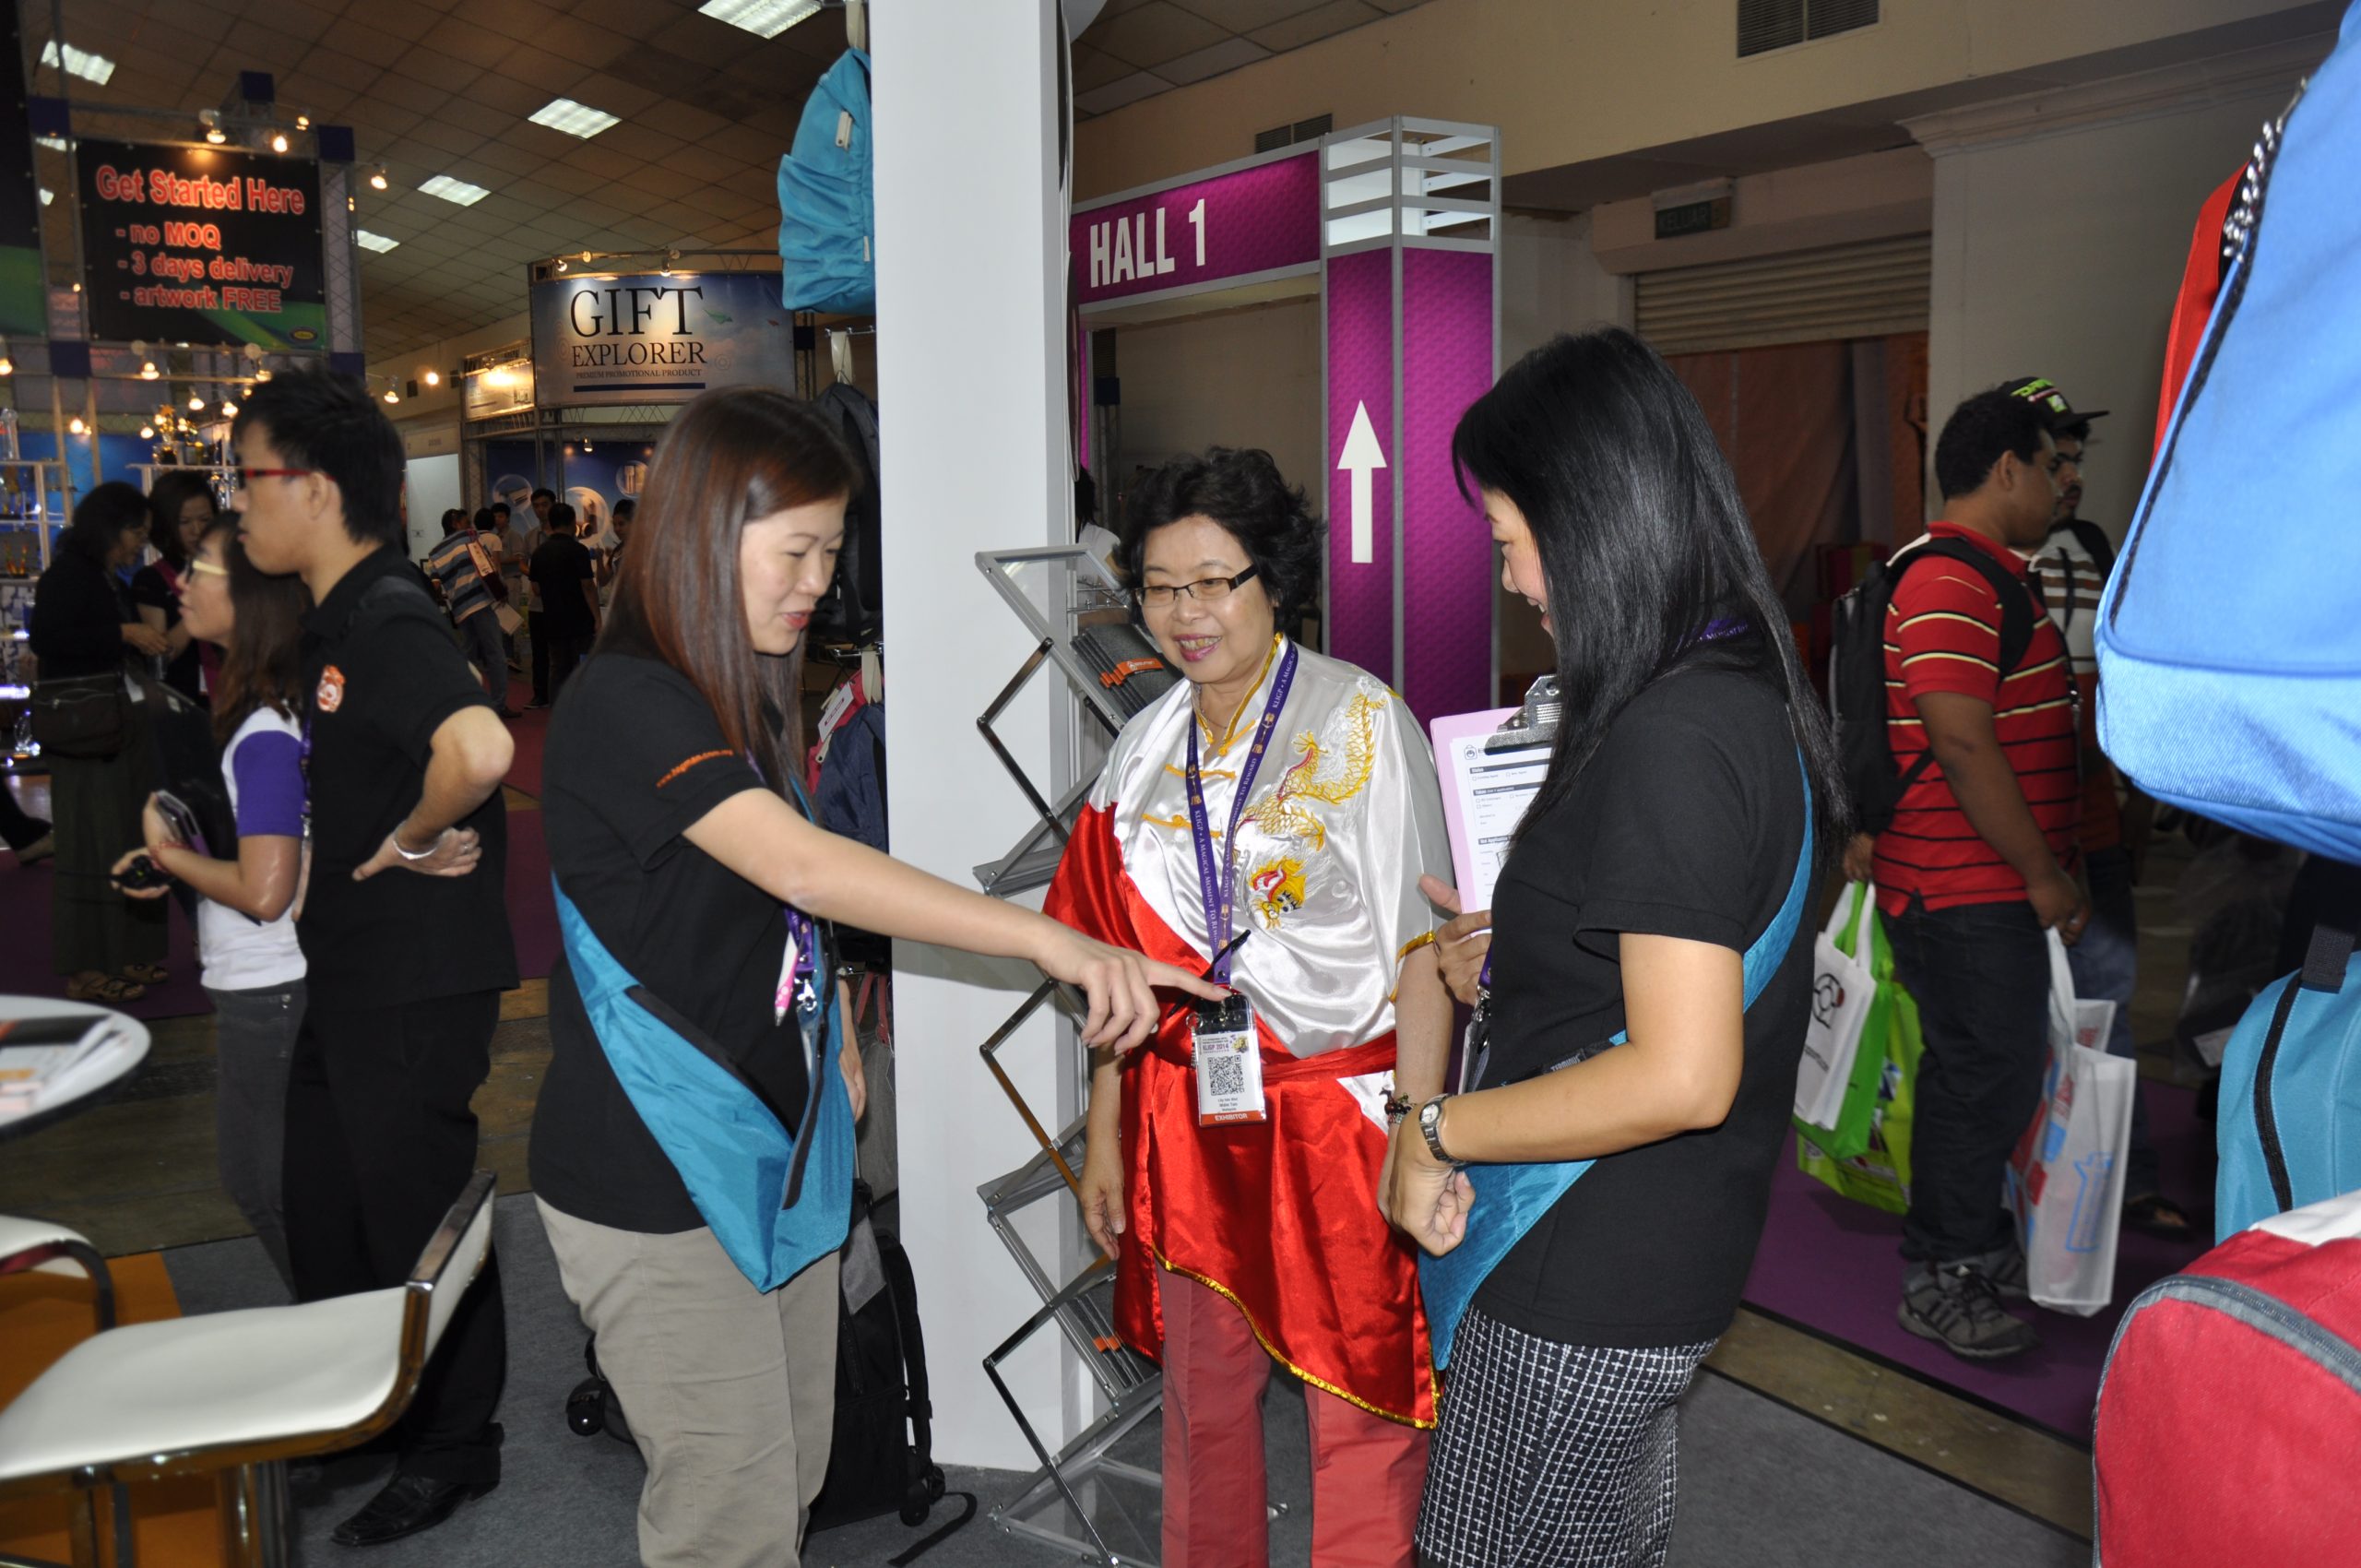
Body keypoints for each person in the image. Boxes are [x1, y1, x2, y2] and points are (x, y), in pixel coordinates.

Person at [530, 386, 1216, 1568]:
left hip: (772, 1146)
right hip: (658, 1172)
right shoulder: (631, 698)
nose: (819, 582)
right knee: (728, 1517)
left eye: (831, 551)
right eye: (795, 550)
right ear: (704, 533)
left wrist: (835, 1028)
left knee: (790, 1471)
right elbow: (801, 860)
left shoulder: (736, 684)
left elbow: (778, 895)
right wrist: (1050, 940)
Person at [1384, 329, 1845, 1568]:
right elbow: (1676, 962)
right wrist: (1522, 955)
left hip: (1582, 1264)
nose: (1513, 581)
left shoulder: (1670, 734)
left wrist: (1431, 1129)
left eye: (1509, 540)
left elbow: (1680, 1075)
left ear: (1587, 517)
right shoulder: (1740, 689)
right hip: (1652, 1253)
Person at [1048, 446, 1453, 1568]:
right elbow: (1110, 959)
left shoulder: (1363, 722)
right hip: (1189, 1115)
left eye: (1213, 581)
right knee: (1201, 1396)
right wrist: (1104, 1126)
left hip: (1336, 1119)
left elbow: (1422, 952)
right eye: (1160, 587)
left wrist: (1419, 1132)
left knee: (1361, 1402)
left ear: (1273, 577)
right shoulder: (1144, 747)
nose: (1186, 613)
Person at [231, 368, 519, 1547]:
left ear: (313, 487)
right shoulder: (337, 619)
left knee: (415, 1211)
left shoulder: (388, 614)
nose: (237, 502)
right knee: (326, 1199)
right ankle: (372, 1407)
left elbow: (480, 747)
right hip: (354, 970)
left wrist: (407, 837)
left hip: (413, 976)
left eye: (248, 477)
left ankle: (456, 1442)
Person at [1859, 386, 2086, 1360]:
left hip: (1968, 881)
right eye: (2052, 464)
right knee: (1978, 1076)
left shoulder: (1980, 573)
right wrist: (2041, 872)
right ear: (2006, 469)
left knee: (1982, 1069)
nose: (2065, 482)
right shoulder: (1951, 578)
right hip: (1962, 886)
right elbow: (1959, 741)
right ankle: (1942, 1269)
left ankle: (1972, 1241)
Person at [2005, 375, 2190, 1241]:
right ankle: (2018, 1194)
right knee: (2013, 1023)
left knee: (2106, 1008)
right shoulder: (1970, 567)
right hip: (2016, 844)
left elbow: (2121, 688)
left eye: (2076, 459)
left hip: (2093, 829)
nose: (2072, 475)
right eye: (2057, 460)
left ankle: (2116, 1183)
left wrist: (2137, 799)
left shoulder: (2091, 547)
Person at [110, 514, 310, 1288]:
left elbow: (265, 891)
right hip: (271, 983)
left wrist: (169, 854)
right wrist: (184, 860)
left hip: (272, 986)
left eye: (201, 569)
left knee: (269, 1186)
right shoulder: (268, 710)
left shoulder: (263, 728)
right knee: (267, 1182)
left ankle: (349, 1331)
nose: (182, 585)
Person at [29, 482, 172, 1003]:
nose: (141, 543)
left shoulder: (106, 576)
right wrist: (123, 634)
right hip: (84, 734)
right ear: (111, 529)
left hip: (118, 725)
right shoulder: (69, 575)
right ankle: (86, 967)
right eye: (137, 532)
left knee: (127, 840)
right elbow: (48, 639)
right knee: (90, 846)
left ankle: (126, 950)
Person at [133, 471, 217, 703]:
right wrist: (198, 608)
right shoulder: (152, 579)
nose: (197, 530)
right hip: (181, 699)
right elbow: (160, 656)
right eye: (184, 522)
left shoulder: (229, 568)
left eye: (205, 519)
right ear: (166, 524)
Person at [427, 506, 514, 717]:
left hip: (459, 609)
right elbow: (486, 565)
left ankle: (466, 703)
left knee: (468, 655)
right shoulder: (468, 537)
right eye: (467, 522)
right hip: (480, 603)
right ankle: (498, 704)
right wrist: (500, 590)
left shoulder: (435, 553)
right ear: (456, 523)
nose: (470, 526)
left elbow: (435, 585)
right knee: (495, 654)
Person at [527, 501, 598, 703]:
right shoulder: (579, 550)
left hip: (552, 619)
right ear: (573, 522)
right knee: (580, 666)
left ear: (551, 522)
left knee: (557, 668)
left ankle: (557, 710)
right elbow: (588, 586)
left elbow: (536, 589)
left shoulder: (539, 553)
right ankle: (580, 708)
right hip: (579, 620)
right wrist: (597, 618)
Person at [523, 486, 556, 709]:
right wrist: (535, 575)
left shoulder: (563, 534)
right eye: (536, 506)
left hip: (559, 602)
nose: (540, 510)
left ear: (553, 505)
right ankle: (540, 694)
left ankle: (559, 693)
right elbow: (522, 563)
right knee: (539, 652)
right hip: (536, 603)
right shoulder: (530, 536)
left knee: (560, 652)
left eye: (544, 505)